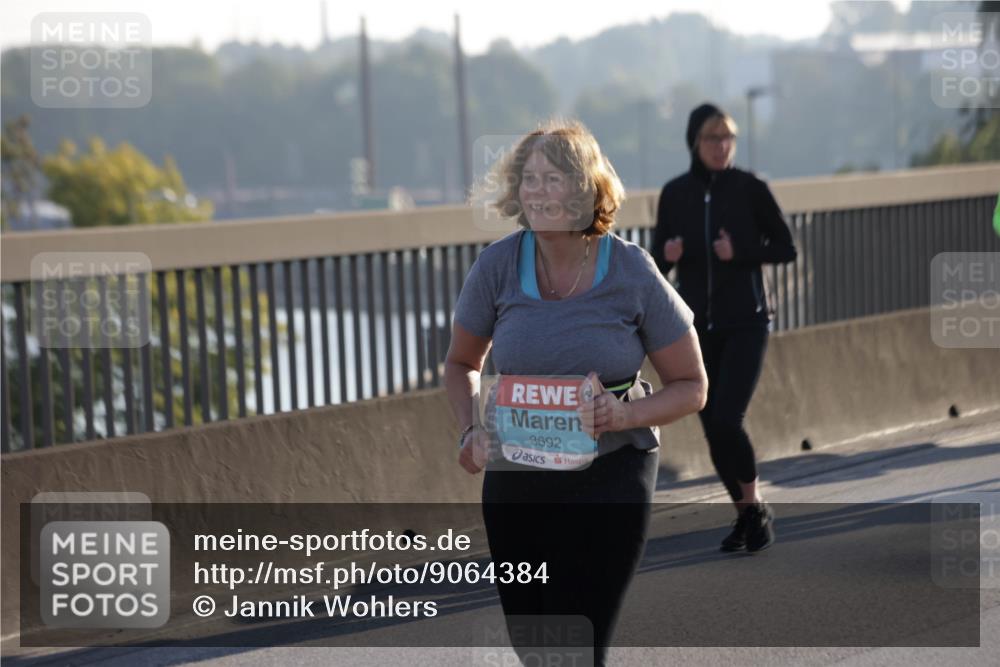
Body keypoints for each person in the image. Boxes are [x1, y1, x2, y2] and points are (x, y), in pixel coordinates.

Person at [444, 121, 708, 667]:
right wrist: (472, 428)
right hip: (517, 479)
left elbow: (692, 387)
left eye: (555, 179)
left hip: (610, 475)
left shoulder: (631, 270)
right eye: (530, 180)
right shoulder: (497, 266)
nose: (539, 192)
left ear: (587, 189)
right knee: (535, 647)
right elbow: (461, 364)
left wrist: (621, 413)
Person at [651, 103, 797, 553]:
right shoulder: (675, 194)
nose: (721, 147)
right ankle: (746, 515)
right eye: (712, 139)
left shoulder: (750, 188)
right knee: (712, 426)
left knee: (729, 418)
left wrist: (742, 251)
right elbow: (655, 268)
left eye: (727, 138)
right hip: (698, 329)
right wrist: (668, 256)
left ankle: (753, 506)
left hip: (747, 321)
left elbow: (786, 249)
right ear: (695, 143)